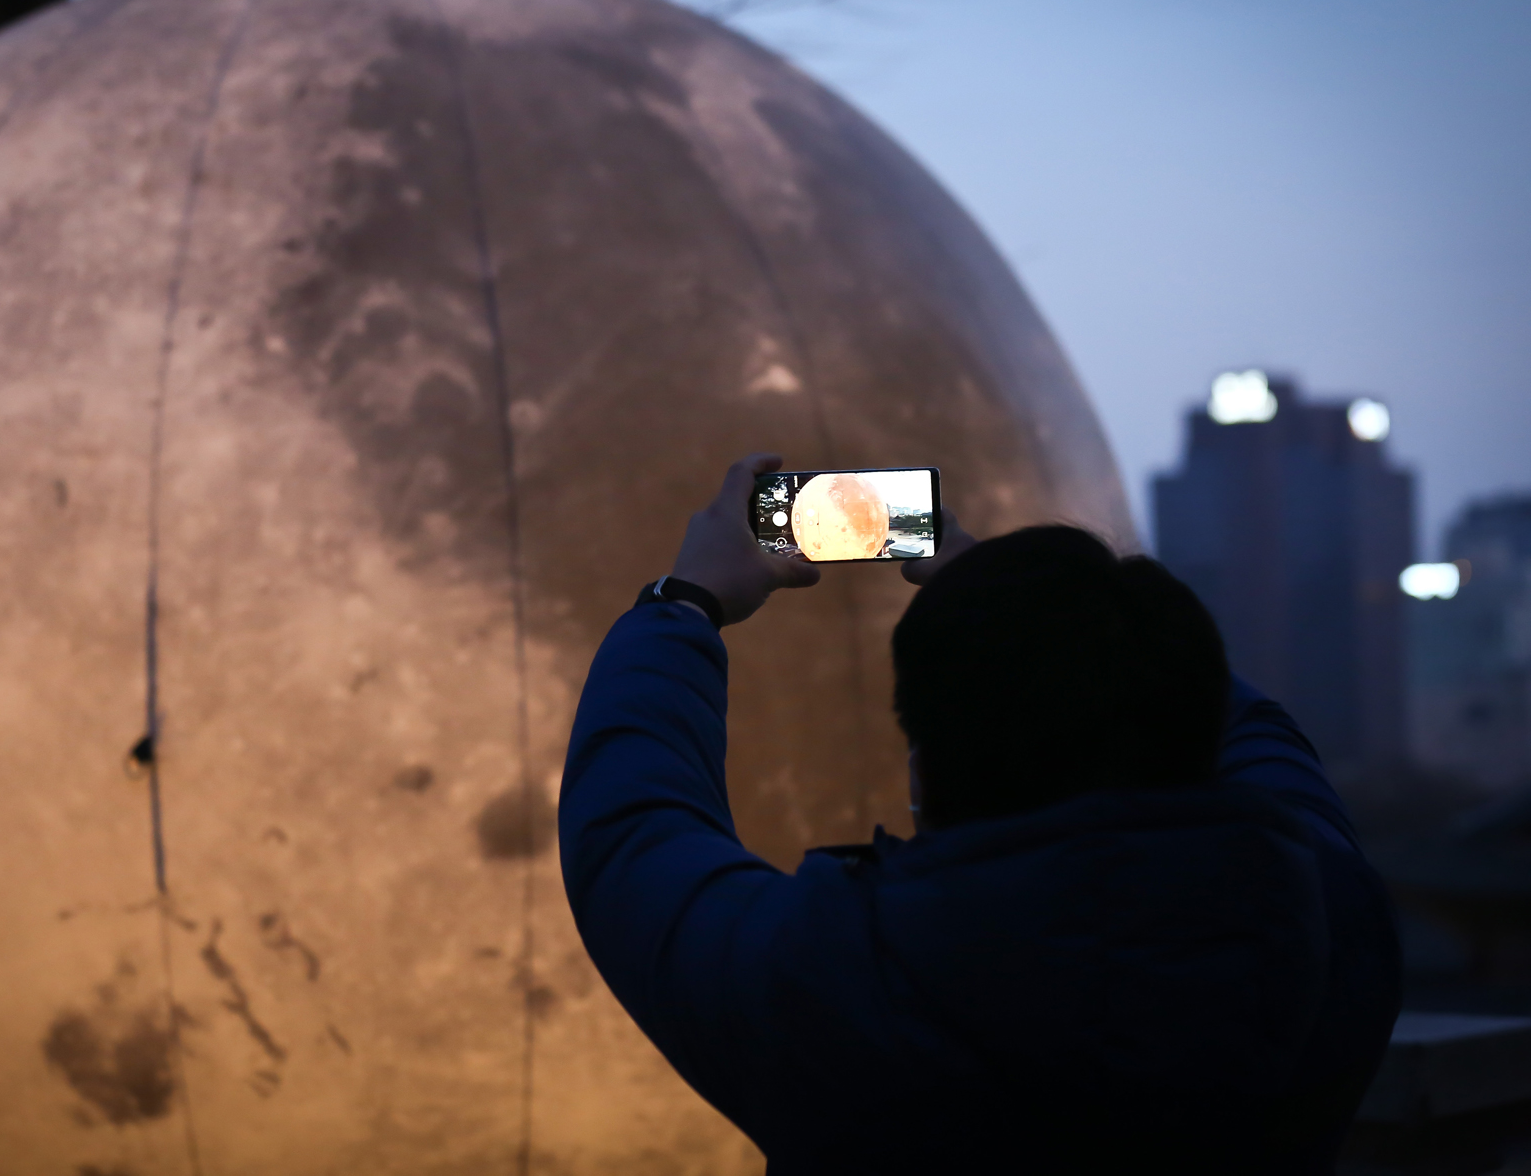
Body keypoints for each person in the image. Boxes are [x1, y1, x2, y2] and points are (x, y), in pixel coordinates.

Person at [558, 454, 1401, 1174]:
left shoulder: (835, 986)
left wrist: (684, 601)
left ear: (925, 772)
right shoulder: (1328, 922)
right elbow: (1256, 739)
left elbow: (637, 827)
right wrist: (1055, 621)